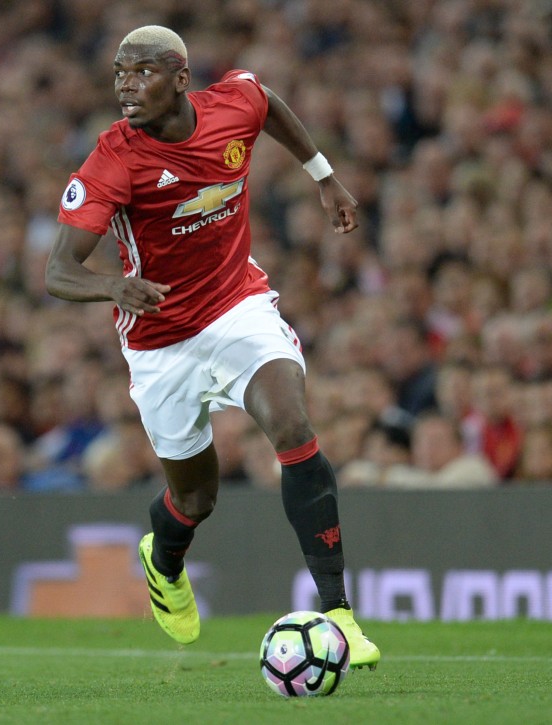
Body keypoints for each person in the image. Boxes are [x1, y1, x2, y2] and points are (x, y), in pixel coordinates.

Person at [45, 26, 380, 669]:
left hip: (236, 308)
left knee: (292, 423)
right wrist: (114, 286)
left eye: (141, 72)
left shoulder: (232, 105)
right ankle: (163, 560)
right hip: (160, 341)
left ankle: (339, 613)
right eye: (119, 73)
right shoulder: (114, 157)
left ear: (179, 77)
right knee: (196, 498)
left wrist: (324, 176)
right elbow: (58, 271)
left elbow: (268, 101)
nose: (125, 86)